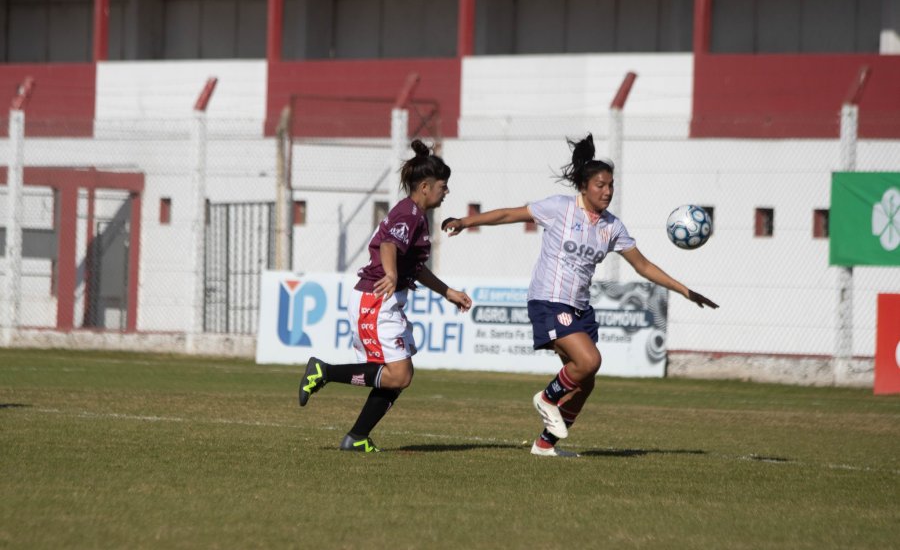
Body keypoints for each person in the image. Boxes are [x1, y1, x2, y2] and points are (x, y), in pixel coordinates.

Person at [441, 134, 717, 458]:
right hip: (548, 299)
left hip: (580, 308)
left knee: (586, 383)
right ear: (585, 186)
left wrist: (685, 291)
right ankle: (546, 398)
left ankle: (544, 445)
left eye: (611, 185)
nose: (608, 191)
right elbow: (507, 215)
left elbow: (643, 266)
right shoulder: (559, 208)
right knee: (589, 361)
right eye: (601, 185)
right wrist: (464, 221)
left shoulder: (612, 227)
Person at [298, 139, 473, 453]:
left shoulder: (415, 215)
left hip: (385, 301)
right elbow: (390, 245)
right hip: (375, 299)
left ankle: (357, 438)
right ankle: (324, 372)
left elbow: (415, 266)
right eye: (443, 186)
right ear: (425, 186)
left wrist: (447, 292)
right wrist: (391, 274)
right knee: (398, 374)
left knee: (400, 375)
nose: (446, 192)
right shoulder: (409, 215)